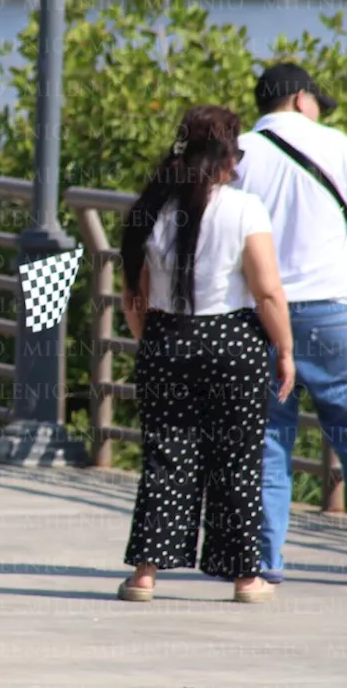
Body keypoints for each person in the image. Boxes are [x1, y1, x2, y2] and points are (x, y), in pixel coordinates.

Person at [232, 62, 347, 586]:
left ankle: (263, 558)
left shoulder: (240, 153)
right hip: (340, 310)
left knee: (267, 437)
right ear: (299, 99)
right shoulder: (337, 146)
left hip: (261, 315)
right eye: (317, 101)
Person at [116, 104, 295, 604]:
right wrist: (284, 348)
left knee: (166, 456)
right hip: (233, 345)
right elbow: (267, 293)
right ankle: (244, 578)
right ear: (225, 158)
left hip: (166, 339)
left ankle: (145, 576)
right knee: (236, 460)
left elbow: (134, 295)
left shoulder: (151, 207)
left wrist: (150, 340)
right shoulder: (244, 208)